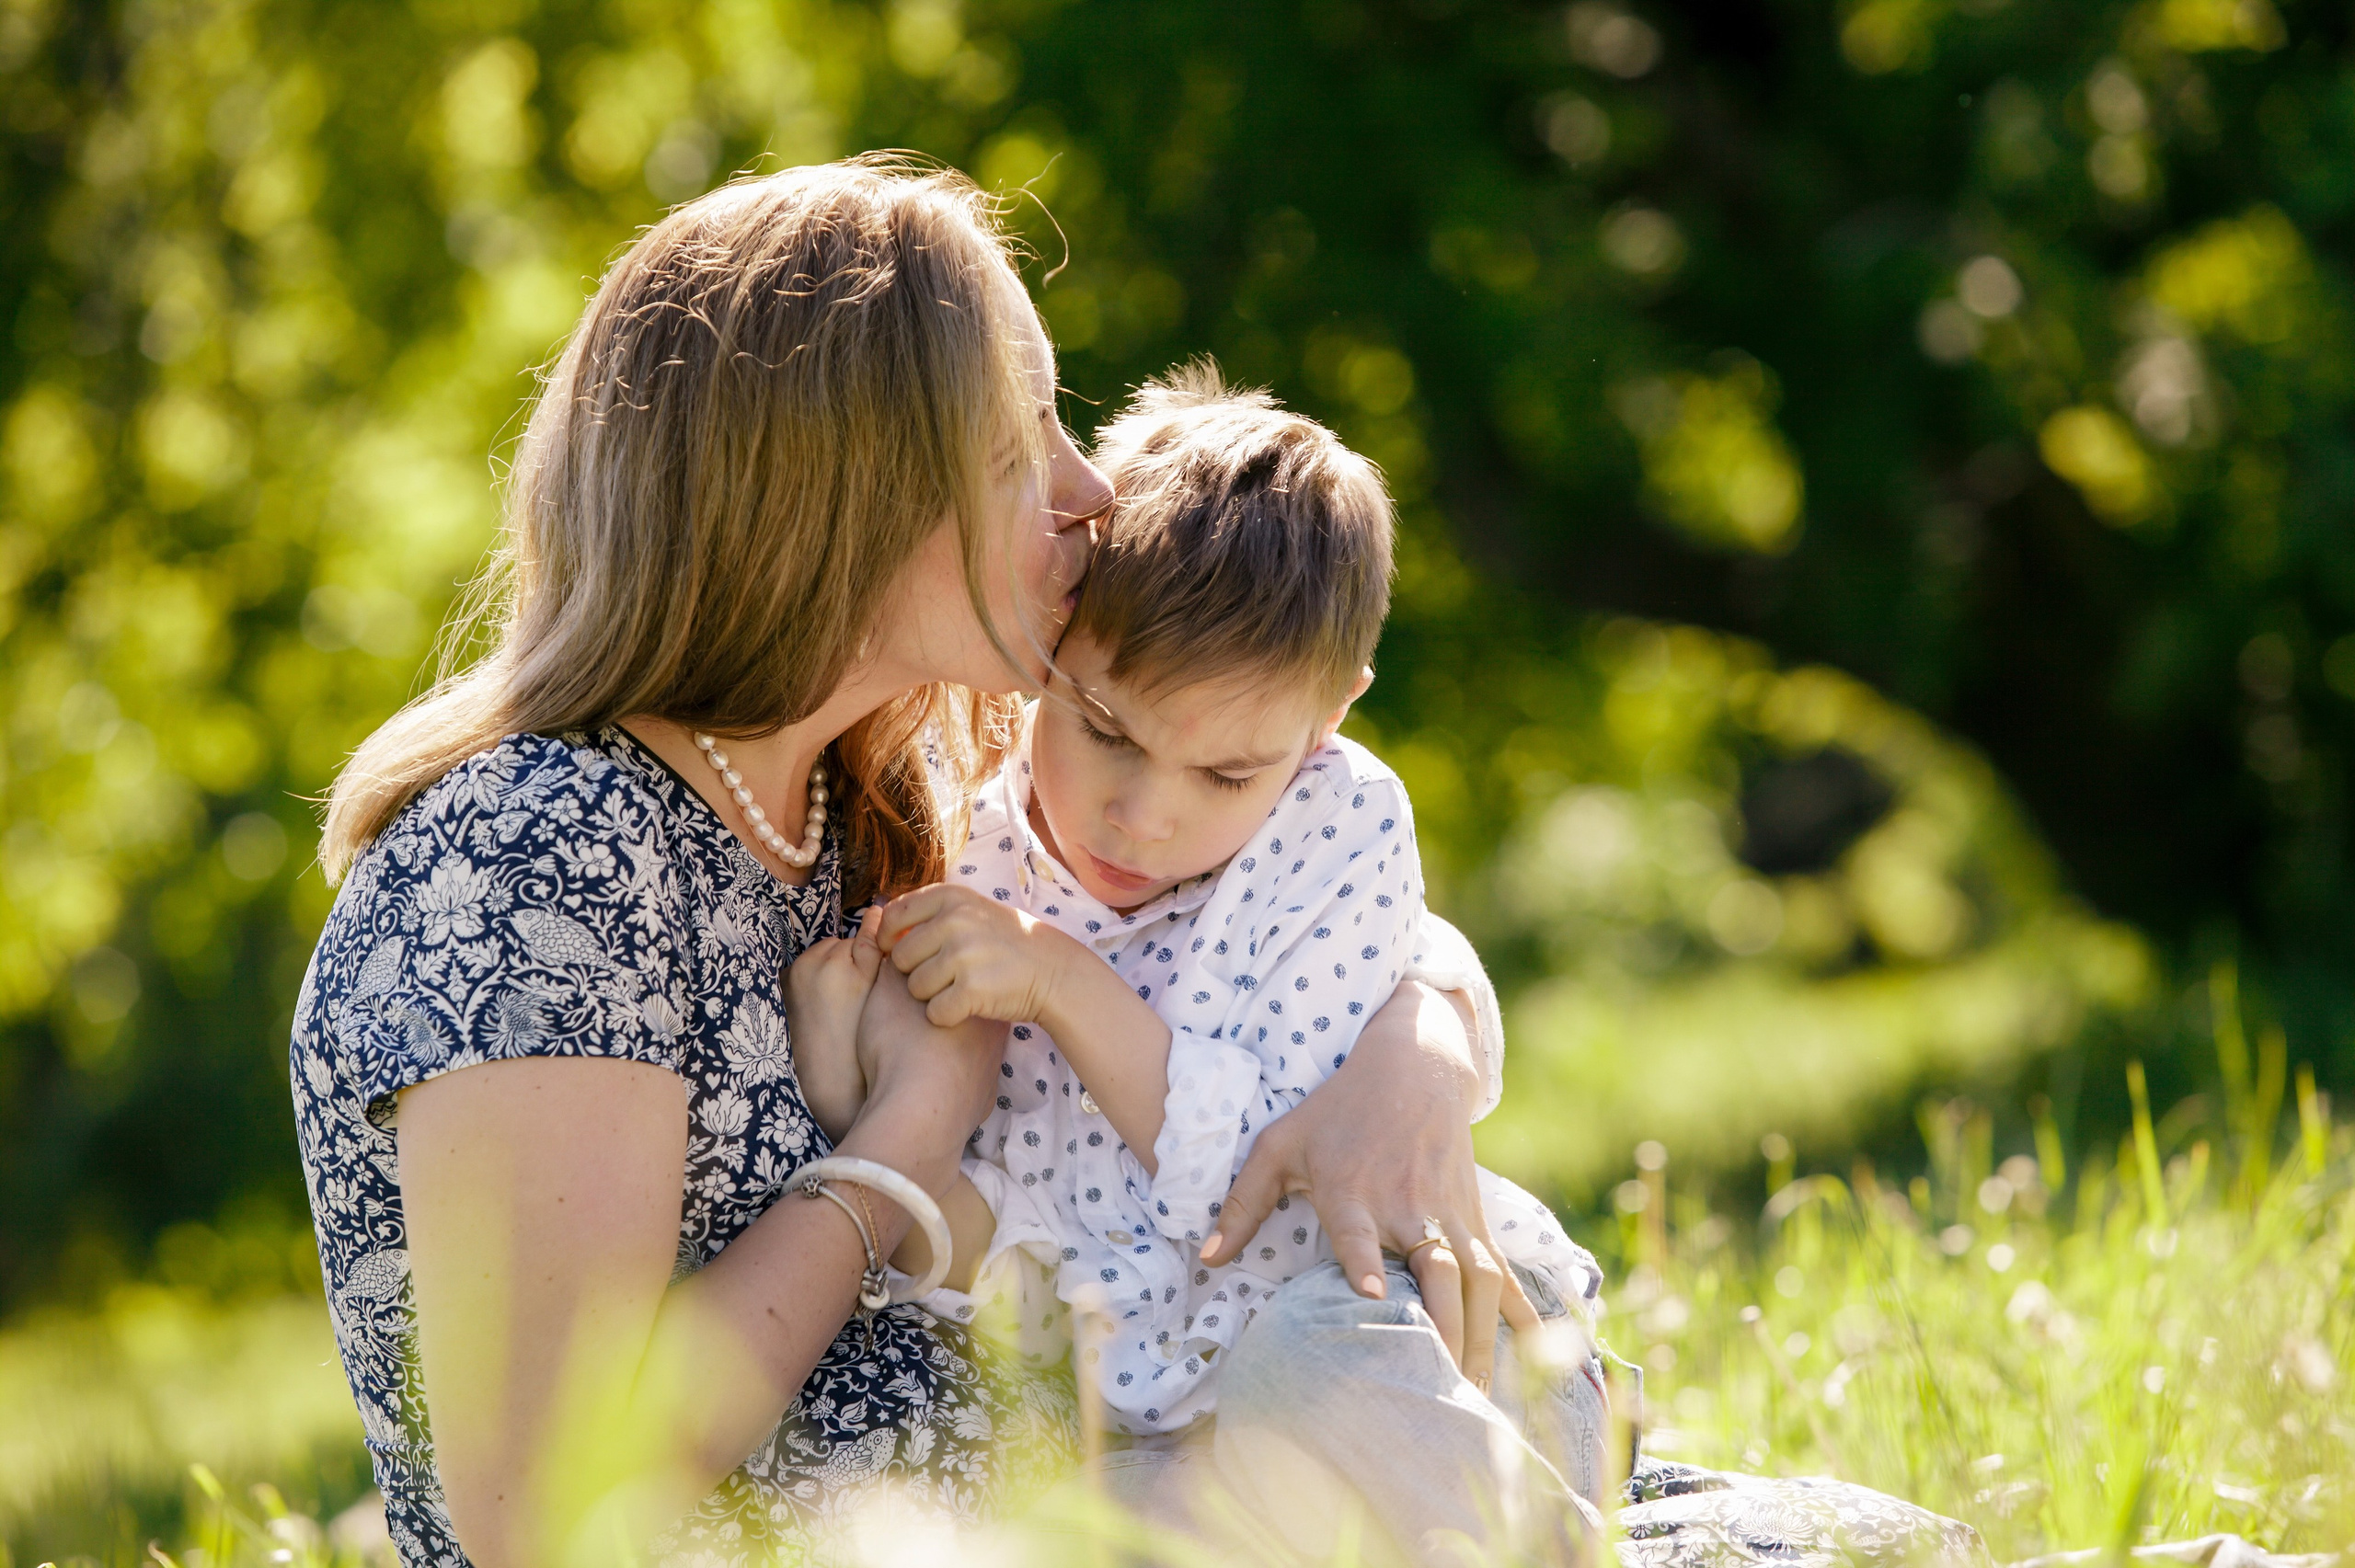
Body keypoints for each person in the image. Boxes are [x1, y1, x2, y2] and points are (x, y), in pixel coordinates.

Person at [290, 156, 1527, 1568]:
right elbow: (543, 1511)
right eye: (1019, 449)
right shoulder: (541, 850)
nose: (1088, 492)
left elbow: (1273, 888)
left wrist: (1415, 1052)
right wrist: (902, 1147)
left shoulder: (874, 788)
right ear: (844, 506)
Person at [783, 369, 1612, 1564]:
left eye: (1226, 774)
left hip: (1414, 1344)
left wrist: (1062, 984)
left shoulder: (1334, 828)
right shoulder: (973, 852)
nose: (1143, 815)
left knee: (1308, 1367)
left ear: (1330, 717)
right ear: (1055, 633)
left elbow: (1284, 1174)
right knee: (1078, 1522)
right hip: (1187, 1430)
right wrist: (847, 1098)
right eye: (1104, 730)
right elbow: (1014, 1262)